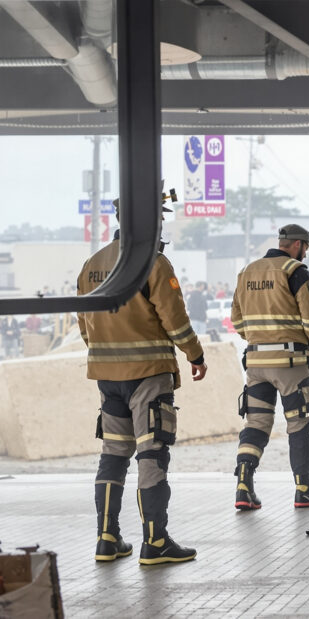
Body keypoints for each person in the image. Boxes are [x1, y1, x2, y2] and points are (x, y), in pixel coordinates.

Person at [77, 202, 207, 565]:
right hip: (148, 374)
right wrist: (195, 355)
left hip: (107, 378)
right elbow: (174, 319)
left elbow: (83, 321)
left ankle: (107, 539)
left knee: (113, 456)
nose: (162, 221)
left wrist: (105, 355)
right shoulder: (153, 261)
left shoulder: (92, 265)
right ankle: (155, 541)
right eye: (159, 215)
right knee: (152, 455)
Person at [232, 224, 309, 511]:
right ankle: (304, 489)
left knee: (256, 424)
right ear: (298, 244)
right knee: (299, 423)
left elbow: (237, 320)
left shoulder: (247, 272)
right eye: (305, 249)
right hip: (290, 363)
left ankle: (243, 484)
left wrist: (257, 338)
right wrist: (306, 341)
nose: (305, 255)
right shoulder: (296, 272)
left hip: (255, 364)